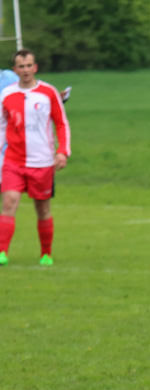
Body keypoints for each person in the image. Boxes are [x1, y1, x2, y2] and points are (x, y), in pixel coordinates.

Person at [0, 49, 71, 267]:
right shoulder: (6, 94)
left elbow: (61, 123)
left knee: (42, 209)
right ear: (15, 70)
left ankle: (46, 253)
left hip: (42, 162)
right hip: (14, 160)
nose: (26, 70)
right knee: (9, 202)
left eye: (29, 66)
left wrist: (62, 151)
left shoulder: (48, 93)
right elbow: (2, 127)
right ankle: (2, 253)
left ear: (35, 67)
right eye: (21, 67)